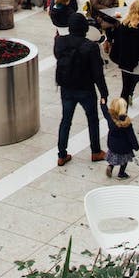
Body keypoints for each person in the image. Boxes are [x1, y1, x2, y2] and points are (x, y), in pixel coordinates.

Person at [54, 13, 107, 167]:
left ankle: (62, 154)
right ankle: (96, 151)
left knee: (66, 120)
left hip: (66, 88)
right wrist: (104, 92)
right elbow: (98, 73)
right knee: (92, 120)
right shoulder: (90, 46)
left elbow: (58, 56)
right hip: (86, 88)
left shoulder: (60, 42)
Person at [102, 97, 139, 180]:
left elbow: (105, 111)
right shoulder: (126, 123)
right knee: (124, 160)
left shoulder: (110, 118)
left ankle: (110, 167)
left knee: (114, 157)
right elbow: (131, 136)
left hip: (113, 144)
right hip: (124, 146)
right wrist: (136, 146)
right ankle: (121, 173)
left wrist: (103, 104)